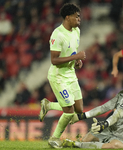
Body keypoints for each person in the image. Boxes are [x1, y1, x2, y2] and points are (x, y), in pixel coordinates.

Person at [38, 3, 86, 148]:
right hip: (58, 76)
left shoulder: (76, 31)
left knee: (79, 110)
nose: (79, 19)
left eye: (79, 16)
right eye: (77, 16)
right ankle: (54, 138)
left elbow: (71, 52)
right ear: (68, 17)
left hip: (71, 74)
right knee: (69, 111)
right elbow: (54, 60)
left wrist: (77, 61)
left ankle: (49, 105)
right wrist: (76, 56)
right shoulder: (57, 34)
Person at [62, 71, 123, 149]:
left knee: (113, 146)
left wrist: (105, 124)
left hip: (122, 137)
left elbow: (117, 114)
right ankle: (84, 144)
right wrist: (83, 115)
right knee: (86, 140)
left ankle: (75, 144)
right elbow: (105, 107)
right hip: (109, 130)